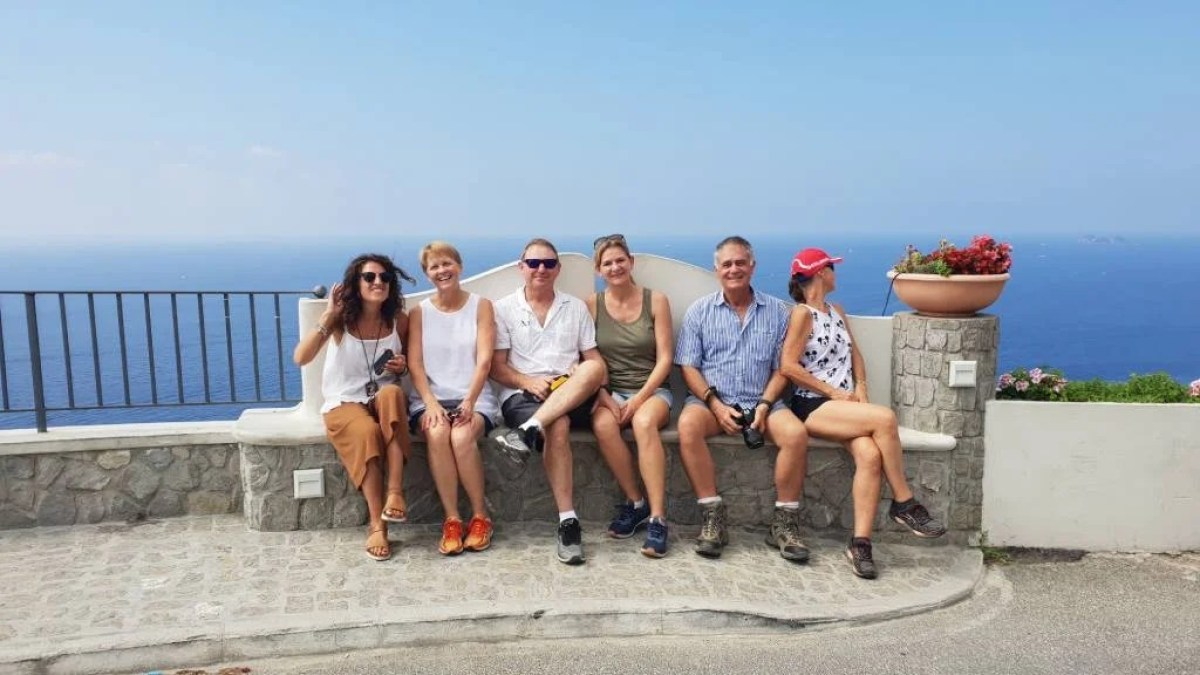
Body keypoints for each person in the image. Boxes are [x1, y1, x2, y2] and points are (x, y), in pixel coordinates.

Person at [780, 247, 947, 580]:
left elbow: (855, 355)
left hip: (845, 405)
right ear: (819, 273)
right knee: (885, 418)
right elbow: (787, 366)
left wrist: (862, 392)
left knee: (870, 456)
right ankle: (904, 502)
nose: (835, 273)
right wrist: (834, 393)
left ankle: (860, 544)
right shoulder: (802, 314)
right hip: (813, 405)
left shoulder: (836, 310)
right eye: (831, 268)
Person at [674, 236, 811, 561]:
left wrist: (764, 405)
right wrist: (714, 404)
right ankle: (712, 517)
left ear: (752, 266)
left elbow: (783, 369)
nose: (733, 269)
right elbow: (689, 367)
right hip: (712, 401)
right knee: (687, 425)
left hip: (764, 401)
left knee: (796, 435)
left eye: (740, 262)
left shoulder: (777, 312)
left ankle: (784, 523)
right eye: (727, 264)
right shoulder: (700, 312)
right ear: (716, 270)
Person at [490, 238, 607, 565]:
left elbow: (596, 364)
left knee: (592, 367)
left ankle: (527, 432)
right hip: (522, 395)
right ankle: (568, 522)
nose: (541, 269)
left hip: (569, 391)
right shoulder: (503, 309)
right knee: (559, 423)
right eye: (533, 263)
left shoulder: (575, 307)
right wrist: (527, 380)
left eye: (549, 263)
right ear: (521, 267)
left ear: (558, 268)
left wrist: (580, 376)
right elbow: (496, 367)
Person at [293, 253, 415, 561]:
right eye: (370, 277)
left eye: (385, 278)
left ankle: (395, 494)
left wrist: (401, 367)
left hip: (381, 398)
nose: (378, 282)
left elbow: (411, 364)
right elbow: (301, 357)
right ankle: (378, 524)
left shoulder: (398, 320)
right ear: (355, 283)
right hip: (344, 401)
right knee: (366, 431)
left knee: (393, 395)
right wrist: (328, 315)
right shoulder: (341, 320)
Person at [406, 241, 499, 556]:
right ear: (427, 274)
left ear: (459, 266)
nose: (442, 270)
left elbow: (485, 360)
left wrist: (469, 402)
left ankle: (480, 517)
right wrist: (430, 403)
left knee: (461, 437)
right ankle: (452, 519)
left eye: (447, 263)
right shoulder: (420, 313)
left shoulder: (481, 306)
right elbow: (415, 364)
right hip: (431, 397)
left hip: (473, 396)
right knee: (437, 432)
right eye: (434, 266)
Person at [586, 234, 675, 557]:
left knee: (643, 423)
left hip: (652, 390)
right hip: (610, 391)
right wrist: (606, 395)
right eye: (607, 263)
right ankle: (635, 502)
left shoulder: (657, 300)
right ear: (598, 270)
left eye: (620, 260)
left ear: (631, 262)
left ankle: (657, 518)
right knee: (603, 426)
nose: (615, 267)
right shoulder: (592, 305)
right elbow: (588, 355)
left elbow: (665, 358)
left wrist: (638, 400)